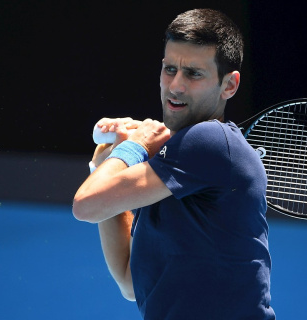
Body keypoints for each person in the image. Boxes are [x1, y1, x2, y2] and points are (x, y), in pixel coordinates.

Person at [73, 8, 275, 320]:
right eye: (170, 69)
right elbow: (130, 282)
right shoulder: (174, 165)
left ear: (229, 85)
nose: (176, 86)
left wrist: (133, 147)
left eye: (194, 73)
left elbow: (85, 205)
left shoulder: (210, 140)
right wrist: (106, 167)